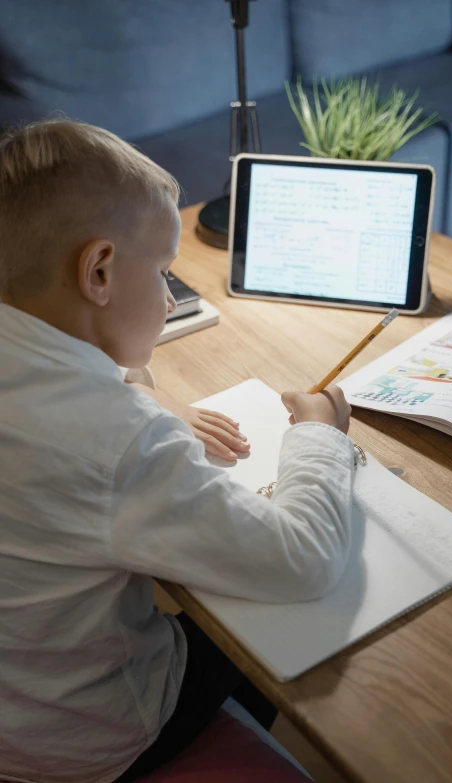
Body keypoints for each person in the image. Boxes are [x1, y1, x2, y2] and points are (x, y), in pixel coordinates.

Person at [0, 119, 355, 783]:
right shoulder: (118, 436)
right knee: (255, 634)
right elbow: (301, 557)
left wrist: (136, 386)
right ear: (99, 269)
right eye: (164, 269)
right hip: (71, 741)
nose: (169, 296)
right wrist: (319, 435)